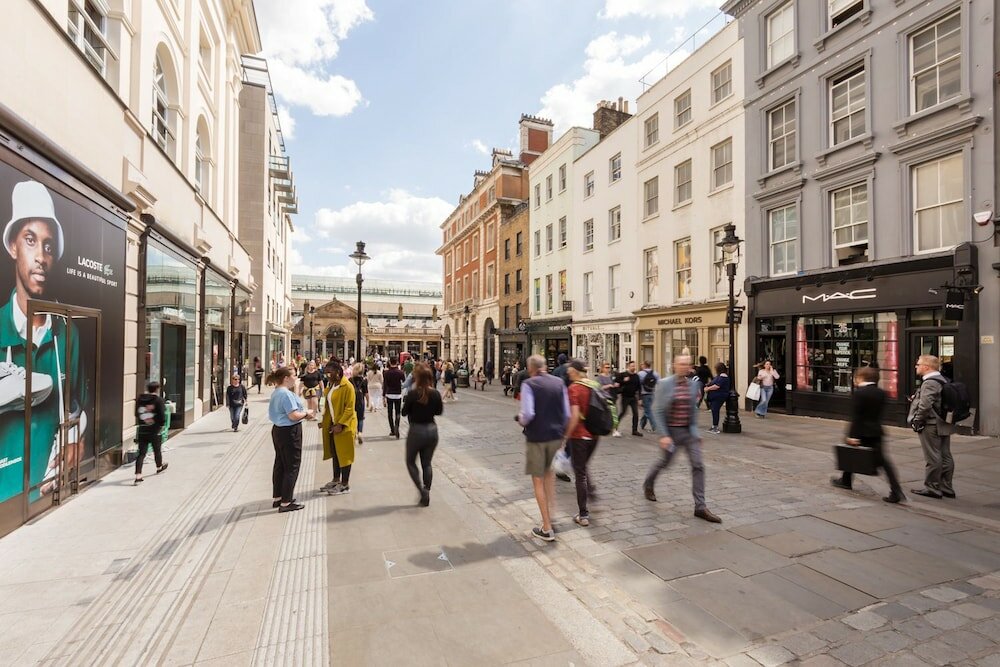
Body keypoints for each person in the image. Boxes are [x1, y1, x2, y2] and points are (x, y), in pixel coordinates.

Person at [0, 181, 89, 502]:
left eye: (48, 246)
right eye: (30, 240)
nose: (41, 256)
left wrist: (74, 439)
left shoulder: (67, 333)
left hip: (47, 491)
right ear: (13, 246)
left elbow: (77, 405)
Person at [643, 354, 722, 523]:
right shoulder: (664, 384)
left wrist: (696, 434)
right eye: (681, 364)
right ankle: (648, 483)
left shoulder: (693, 386)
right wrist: (663, 435)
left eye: (687, 364)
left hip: (688, 432)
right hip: (671, 432)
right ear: (674, 365)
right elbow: (657, 410)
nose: (684, 367)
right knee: (665, 462)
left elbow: (693, 410)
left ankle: (700, 507)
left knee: (698, 465)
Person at [831, 366, 905, 503]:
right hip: (876, 431)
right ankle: (896, 489)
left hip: (861, 432)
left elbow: (856, 417)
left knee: (851, 454)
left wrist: (852, 436)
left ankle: (846, 481)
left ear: (860, 378)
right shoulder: (881, 393)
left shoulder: (859, 394)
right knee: (883, 462)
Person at [517, 355, 570, 542]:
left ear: (531, 369)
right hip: (556, 437)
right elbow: (567, 412)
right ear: (545, 367)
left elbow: (528, 413)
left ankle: (546, 528)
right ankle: (551, 517)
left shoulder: (529, 385)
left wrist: (521, 419)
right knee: (550, 478)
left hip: (537, 437)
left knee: (538, 481)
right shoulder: (559, 383)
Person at [266, 366, 315, 512]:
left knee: (280, 463)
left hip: (278, 430)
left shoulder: (277, 392)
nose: (296, 378)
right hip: (289, 431)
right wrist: (306, 413)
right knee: (292, 465)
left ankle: (278, 497)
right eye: (294, 375)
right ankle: (286, 502)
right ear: (286, 378)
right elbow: (293, 415)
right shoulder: (285, 394)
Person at [908, 355, 955, 499]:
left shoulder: (930, 383)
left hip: (931, 424)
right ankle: (946, 487)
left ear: (926, 367)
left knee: (933, 457)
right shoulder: (943, 379)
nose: (916, 366)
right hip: (943, 423)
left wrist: (917, 420)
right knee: (945, 455)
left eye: (918, 364)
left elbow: (925, 405)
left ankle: (932, 488)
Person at [401, 362, 443, 506]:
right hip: (432, 430)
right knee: (427, 463)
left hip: (416, 431)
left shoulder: (413, 393)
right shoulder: (436, 393)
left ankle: (422, 490)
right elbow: (439, 412)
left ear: (416, 377)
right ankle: (427, 490)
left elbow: (404, 412)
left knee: (411, 461)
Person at [564, 359, 600, 527]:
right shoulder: (594, 385)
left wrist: (566, 435)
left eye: (570, 370)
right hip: (595, 435)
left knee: (580, 474)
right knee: (583, 468)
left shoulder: (574, 389)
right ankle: (591, 493)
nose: (568, 373)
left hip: (579, 435)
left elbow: (574, 416)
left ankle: (583, 514)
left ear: (576, 371)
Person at [320, 360, 357, 495]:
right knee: (335, 453)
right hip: (332, 425)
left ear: (338, 372)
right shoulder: (331, 385)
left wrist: (340, 424)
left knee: (345, 455)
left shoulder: (347, 386)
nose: (327, 375)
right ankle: (336, 480)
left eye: (330, 372)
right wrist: (324, 421)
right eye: (326, 373)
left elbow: (349, 409)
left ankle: (345, 484)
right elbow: (328, 405)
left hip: (344, 427)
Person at [134, 380, 168, 485]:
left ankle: (138, 475)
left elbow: (136, 413)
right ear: (157, 389)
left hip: (142, 429)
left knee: (141, 453)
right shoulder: (158, 400)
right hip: (154, 430)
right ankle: (159, 467)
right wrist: (161, 425)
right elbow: (162, 415)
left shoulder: (140, 399)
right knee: (157, 450)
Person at [614, 360, 643, 437]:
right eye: (632, 366)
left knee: (636, 414)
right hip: (625, 397)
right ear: (628, 367)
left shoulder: (636, 376)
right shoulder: (623, 374)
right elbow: (616, 381)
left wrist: (640, 398)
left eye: (634, 366)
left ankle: (634, 430)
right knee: (623, 412)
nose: (633, 367)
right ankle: (615, 428)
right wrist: (624, 380)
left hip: (633, 397)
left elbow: (639, 387)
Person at [703, 362, 731, 434]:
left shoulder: (723, 377)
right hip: (716, 396)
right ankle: (714, 426)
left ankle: (715, 427)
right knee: (714, 410)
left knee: (715, 410)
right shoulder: (719, 376)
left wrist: (708, 388)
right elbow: (713, 382)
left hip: (719, 396)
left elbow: (717, 386)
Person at [383, 358, 406, 438]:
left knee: (389, 413)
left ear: (389, 362)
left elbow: (385, 385)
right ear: (397, 362)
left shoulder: (386, 373)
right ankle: (397, 425)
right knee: (397, 412)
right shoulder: (400, 372)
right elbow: (404, 381)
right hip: (398, 394)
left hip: (389, 394)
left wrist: (383, 396)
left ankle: (392, 430)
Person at [349, 362, 369, 446]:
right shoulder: (364, 380)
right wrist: (368, 401)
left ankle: (355, 433)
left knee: (352, 418)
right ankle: (360, 432)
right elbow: (366, 393)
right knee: (361, 418)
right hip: (361, 400)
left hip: (352, 400)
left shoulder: (350, 380)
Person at [637, 361, 659, 432]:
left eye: (642, 364)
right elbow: (659, 383)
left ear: (644, 365)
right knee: (648, 409)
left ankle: (654, 426)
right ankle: (642, 424)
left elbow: (637, 385)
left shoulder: (640, 374)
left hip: (644, 394)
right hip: (652, 393)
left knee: (648, 410)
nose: (641, 366)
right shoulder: (655, 373)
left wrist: (638, 397)